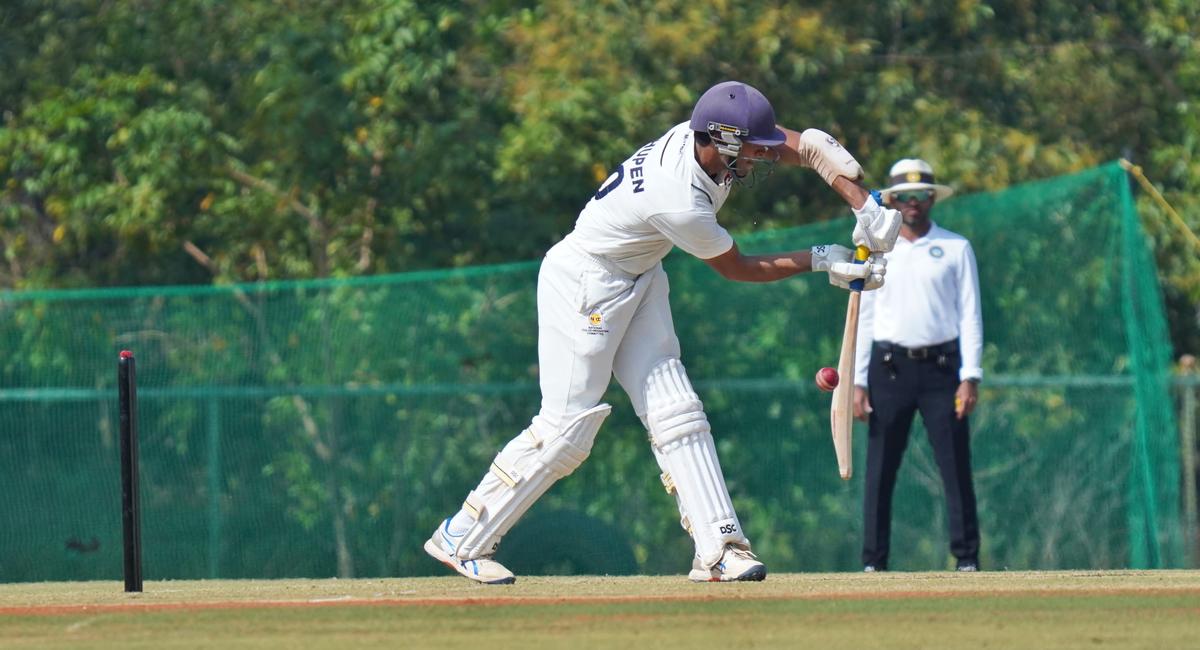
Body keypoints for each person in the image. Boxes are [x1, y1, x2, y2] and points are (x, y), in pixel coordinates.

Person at [424, 80, 902, 584]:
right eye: (752, 148)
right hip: (587, 284)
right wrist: (821, 259)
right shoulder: (678, 198)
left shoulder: (708, 137)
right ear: (722, 141)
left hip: (640, 274)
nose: (763, 157)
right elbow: (737, 268)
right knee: (567, 428)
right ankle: (463, 536)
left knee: (678, 412)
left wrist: (865, 206)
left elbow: (809, 147)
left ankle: (719, 548)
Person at [852, 158, 983, 572]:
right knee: (880, 467)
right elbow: (864, 317)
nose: (912, 204)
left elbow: (970, 314)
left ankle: (966, 559)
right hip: (889, 369)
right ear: (892, 202)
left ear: (931, 199)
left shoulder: (956, 248)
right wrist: (857, 381)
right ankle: (874, 561)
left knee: (955, 465)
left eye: (920, 196)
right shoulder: (876, 250)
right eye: (904, 197)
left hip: (943, 370)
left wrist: (970, 376)